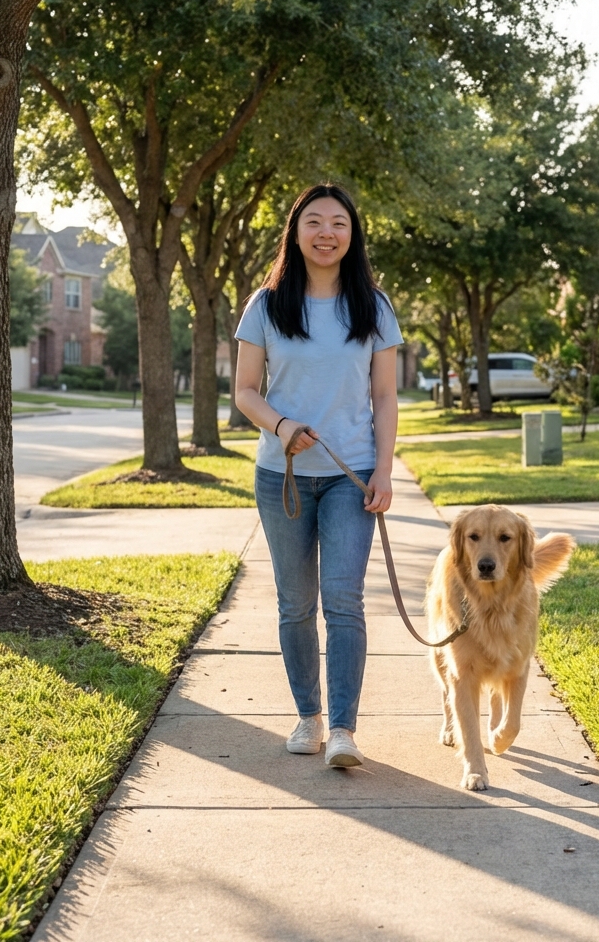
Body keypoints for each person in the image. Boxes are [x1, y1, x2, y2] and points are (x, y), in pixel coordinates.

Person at [234, 183, 402, 768]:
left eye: (338, 223)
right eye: (314, 222)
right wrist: (281, 426)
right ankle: (307, 716)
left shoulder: (374, 307)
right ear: (296, 231)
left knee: (343, 601)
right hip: (280, 474)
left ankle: (343, 730)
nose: (326, 233)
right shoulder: (267, 304)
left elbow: (384, 395)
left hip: (348, 474)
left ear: (352, 235)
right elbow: (245, 391)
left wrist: (383, 469)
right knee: (295, 603)